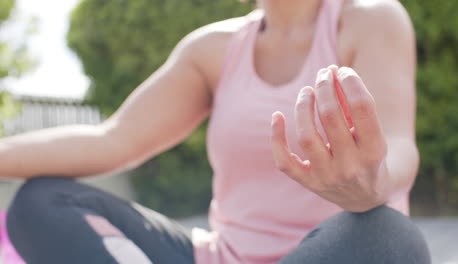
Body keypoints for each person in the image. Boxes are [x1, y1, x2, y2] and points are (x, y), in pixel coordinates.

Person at [1, 0, 431, 263]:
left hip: (336, 254)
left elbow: (397, 144)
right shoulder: (210, 49)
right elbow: (114, 139)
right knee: (41, 202)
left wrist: (374, 185)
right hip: (216, 258)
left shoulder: (371, 20)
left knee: (387, 237)